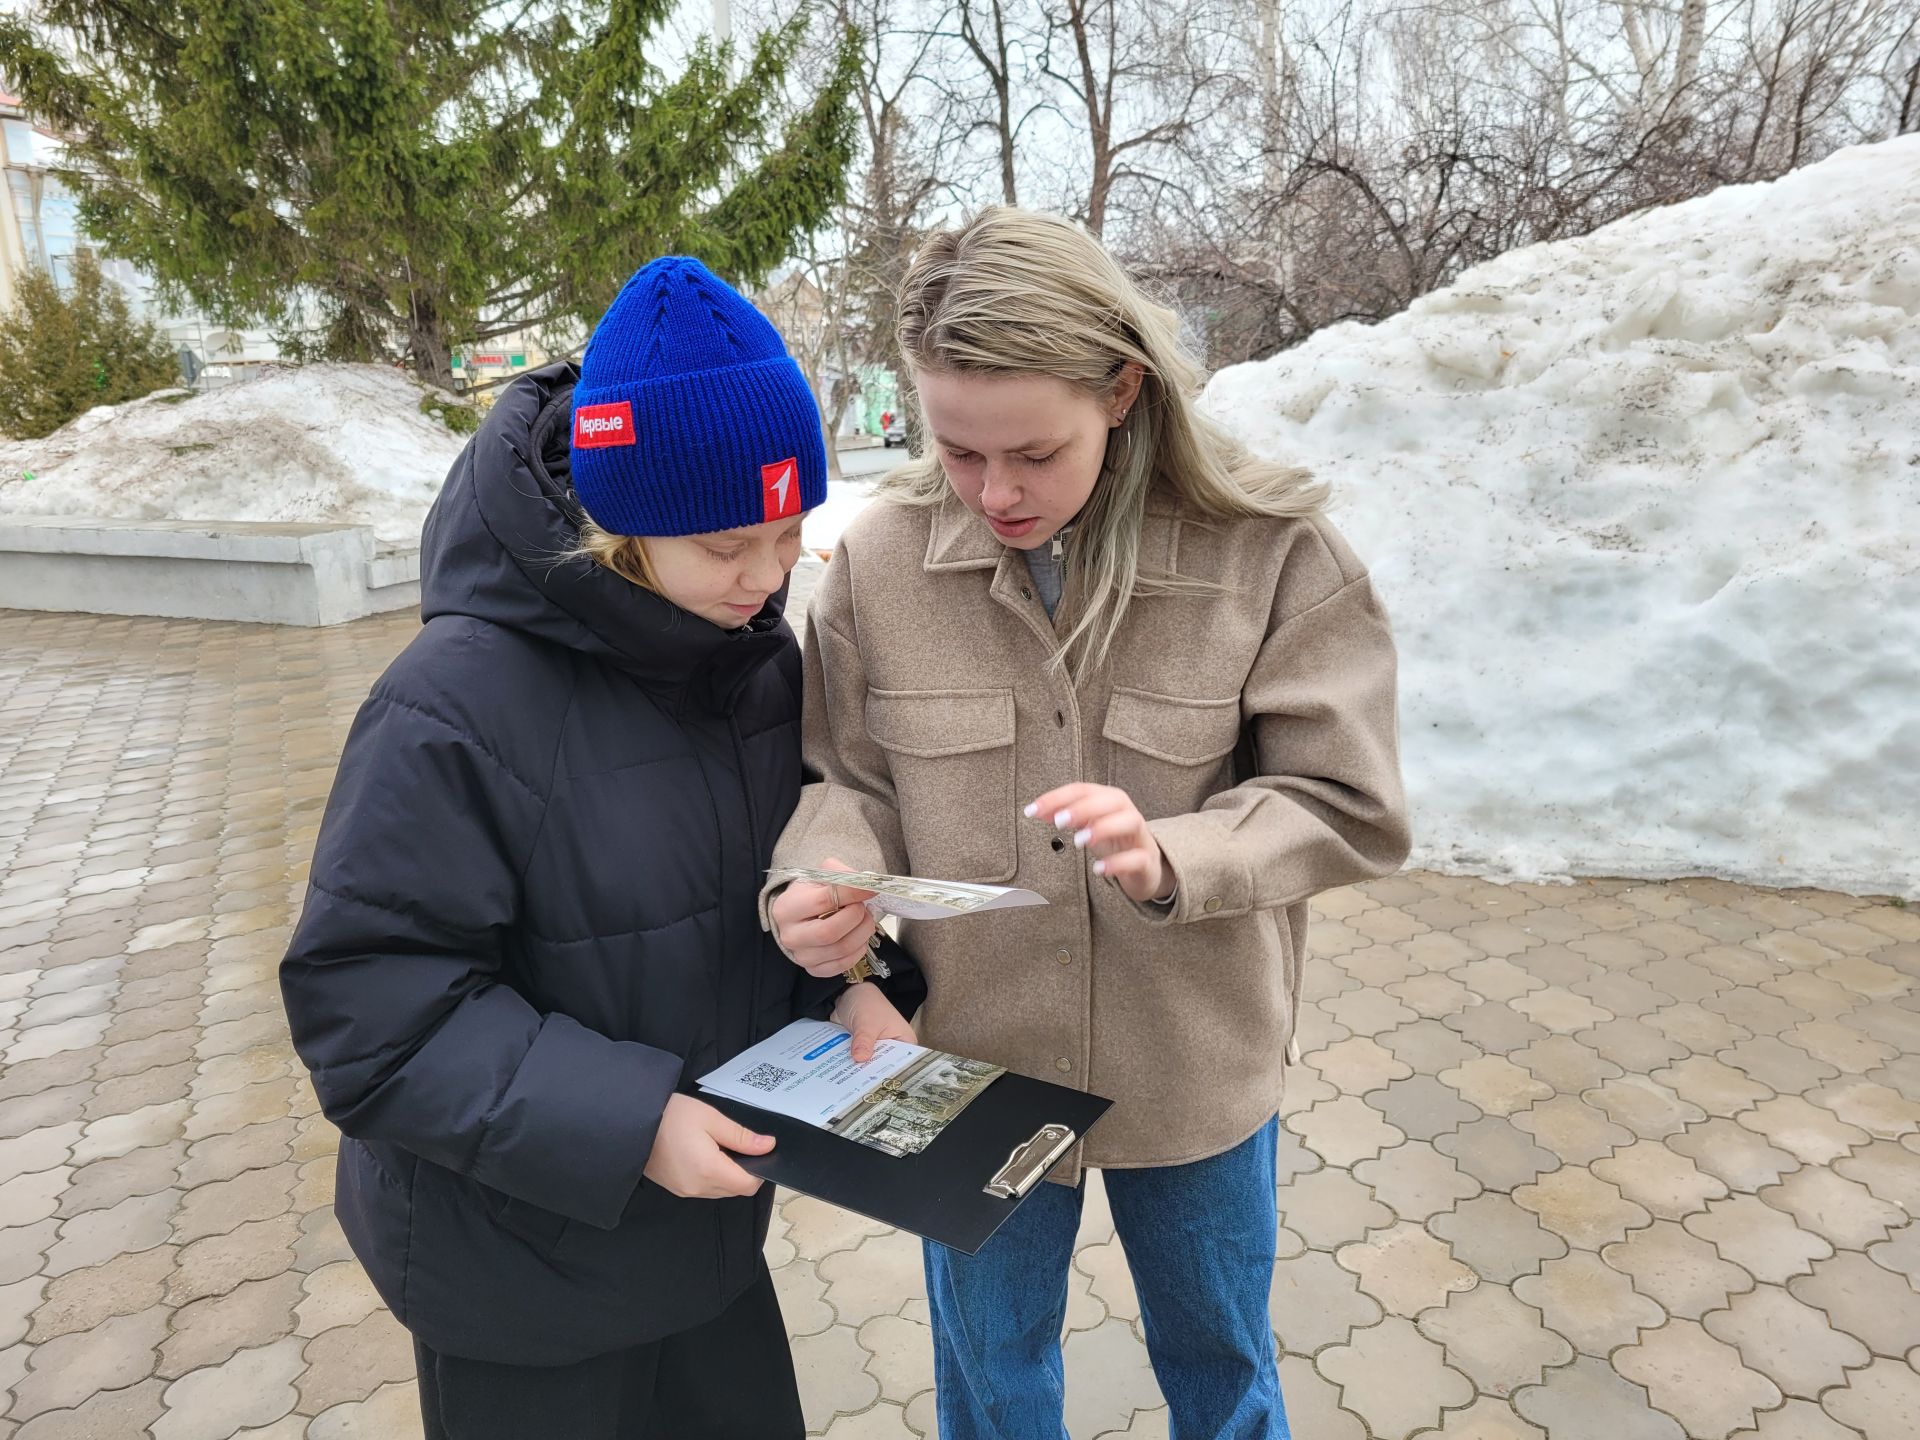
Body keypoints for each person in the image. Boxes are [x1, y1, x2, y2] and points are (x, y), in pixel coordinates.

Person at [766, 208, 1411, 1440]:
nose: (995, 491)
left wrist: (1185, 851)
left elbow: (1349, 803)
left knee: (1223, 1371)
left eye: (1033, 453)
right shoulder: (881, 563)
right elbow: (842, 774)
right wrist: (828, 881)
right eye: (957, 450)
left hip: (1197, 1059)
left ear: (1121, 390)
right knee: (991, 1383)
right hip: (970, 1065)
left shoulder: (1268, 553)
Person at [280, 256, 920, 1440]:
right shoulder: (453, 704)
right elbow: (370, 1014)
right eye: (730, 540)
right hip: (516, 1286)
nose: (770, 574)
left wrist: (850, 990)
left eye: (791, 531)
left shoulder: (756, 666)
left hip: (706, 1252)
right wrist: (632, 1126)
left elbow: (755, 909)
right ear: (624, 520)